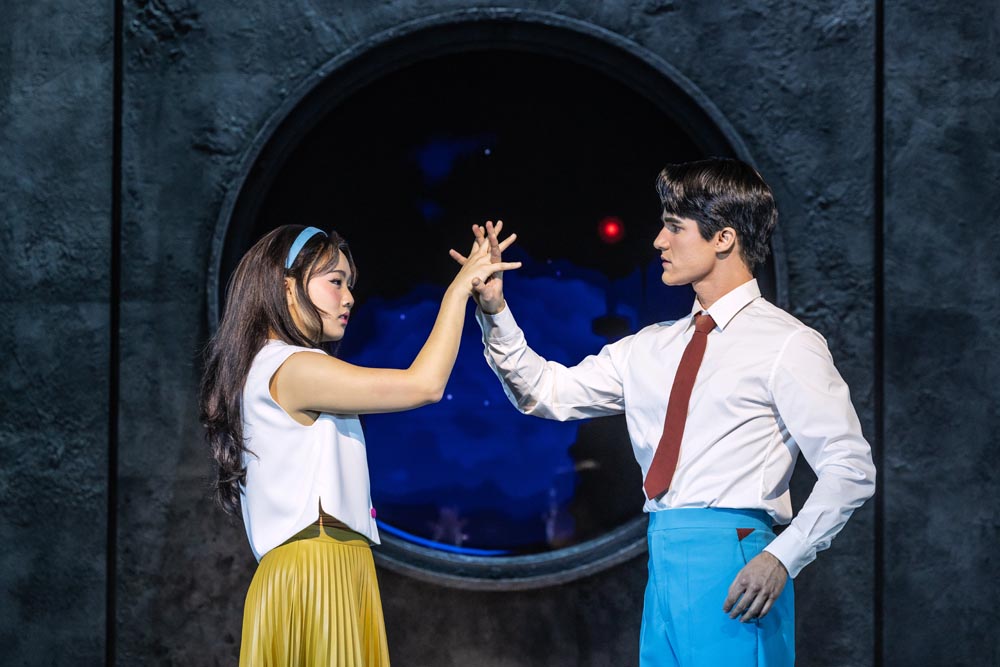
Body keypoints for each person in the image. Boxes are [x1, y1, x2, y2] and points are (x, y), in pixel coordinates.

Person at [453, 158, 876, 666]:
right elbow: (544, 391)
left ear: (723, 238)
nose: (659, 241)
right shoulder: (650, 347)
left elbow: (850, 467)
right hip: (663, 552)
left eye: (675, 227)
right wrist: (494, 310)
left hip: (737, 554)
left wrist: (783, 557)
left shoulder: (787, 343)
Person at [200, 223, 520, 666]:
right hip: (317, 572)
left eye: (349, 284)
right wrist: (457, 292)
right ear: (287, 287)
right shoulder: (291, 367)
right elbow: (423, 385)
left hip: (328, 566)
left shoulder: (271, 367)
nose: (349, 297)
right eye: (335, 281)